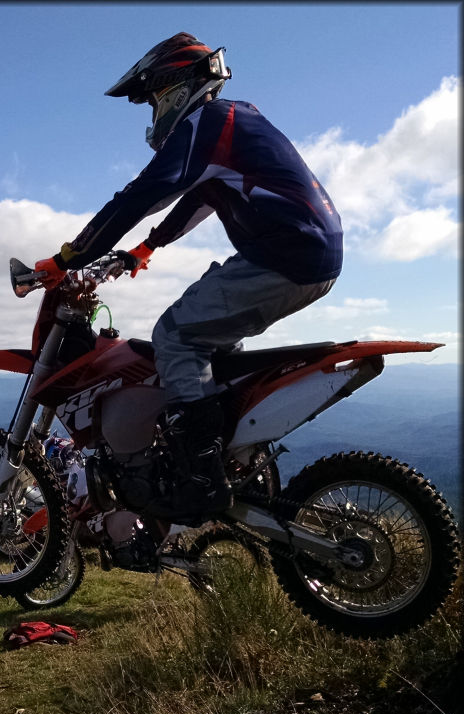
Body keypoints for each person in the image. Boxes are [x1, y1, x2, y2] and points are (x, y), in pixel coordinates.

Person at [35, 32, 342, 523]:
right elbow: (198, 199)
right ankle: (229, 454)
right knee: (211, 346)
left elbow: (143, 193)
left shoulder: (209, 120)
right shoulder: (235, 120)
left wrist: (68, 257)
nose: (153, 111)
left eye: (153, 98)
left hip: (285, 256)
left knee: (175, 336)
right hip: (304, 256)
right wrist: (146, 248)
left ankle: (203, 481)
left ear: (174, 85)